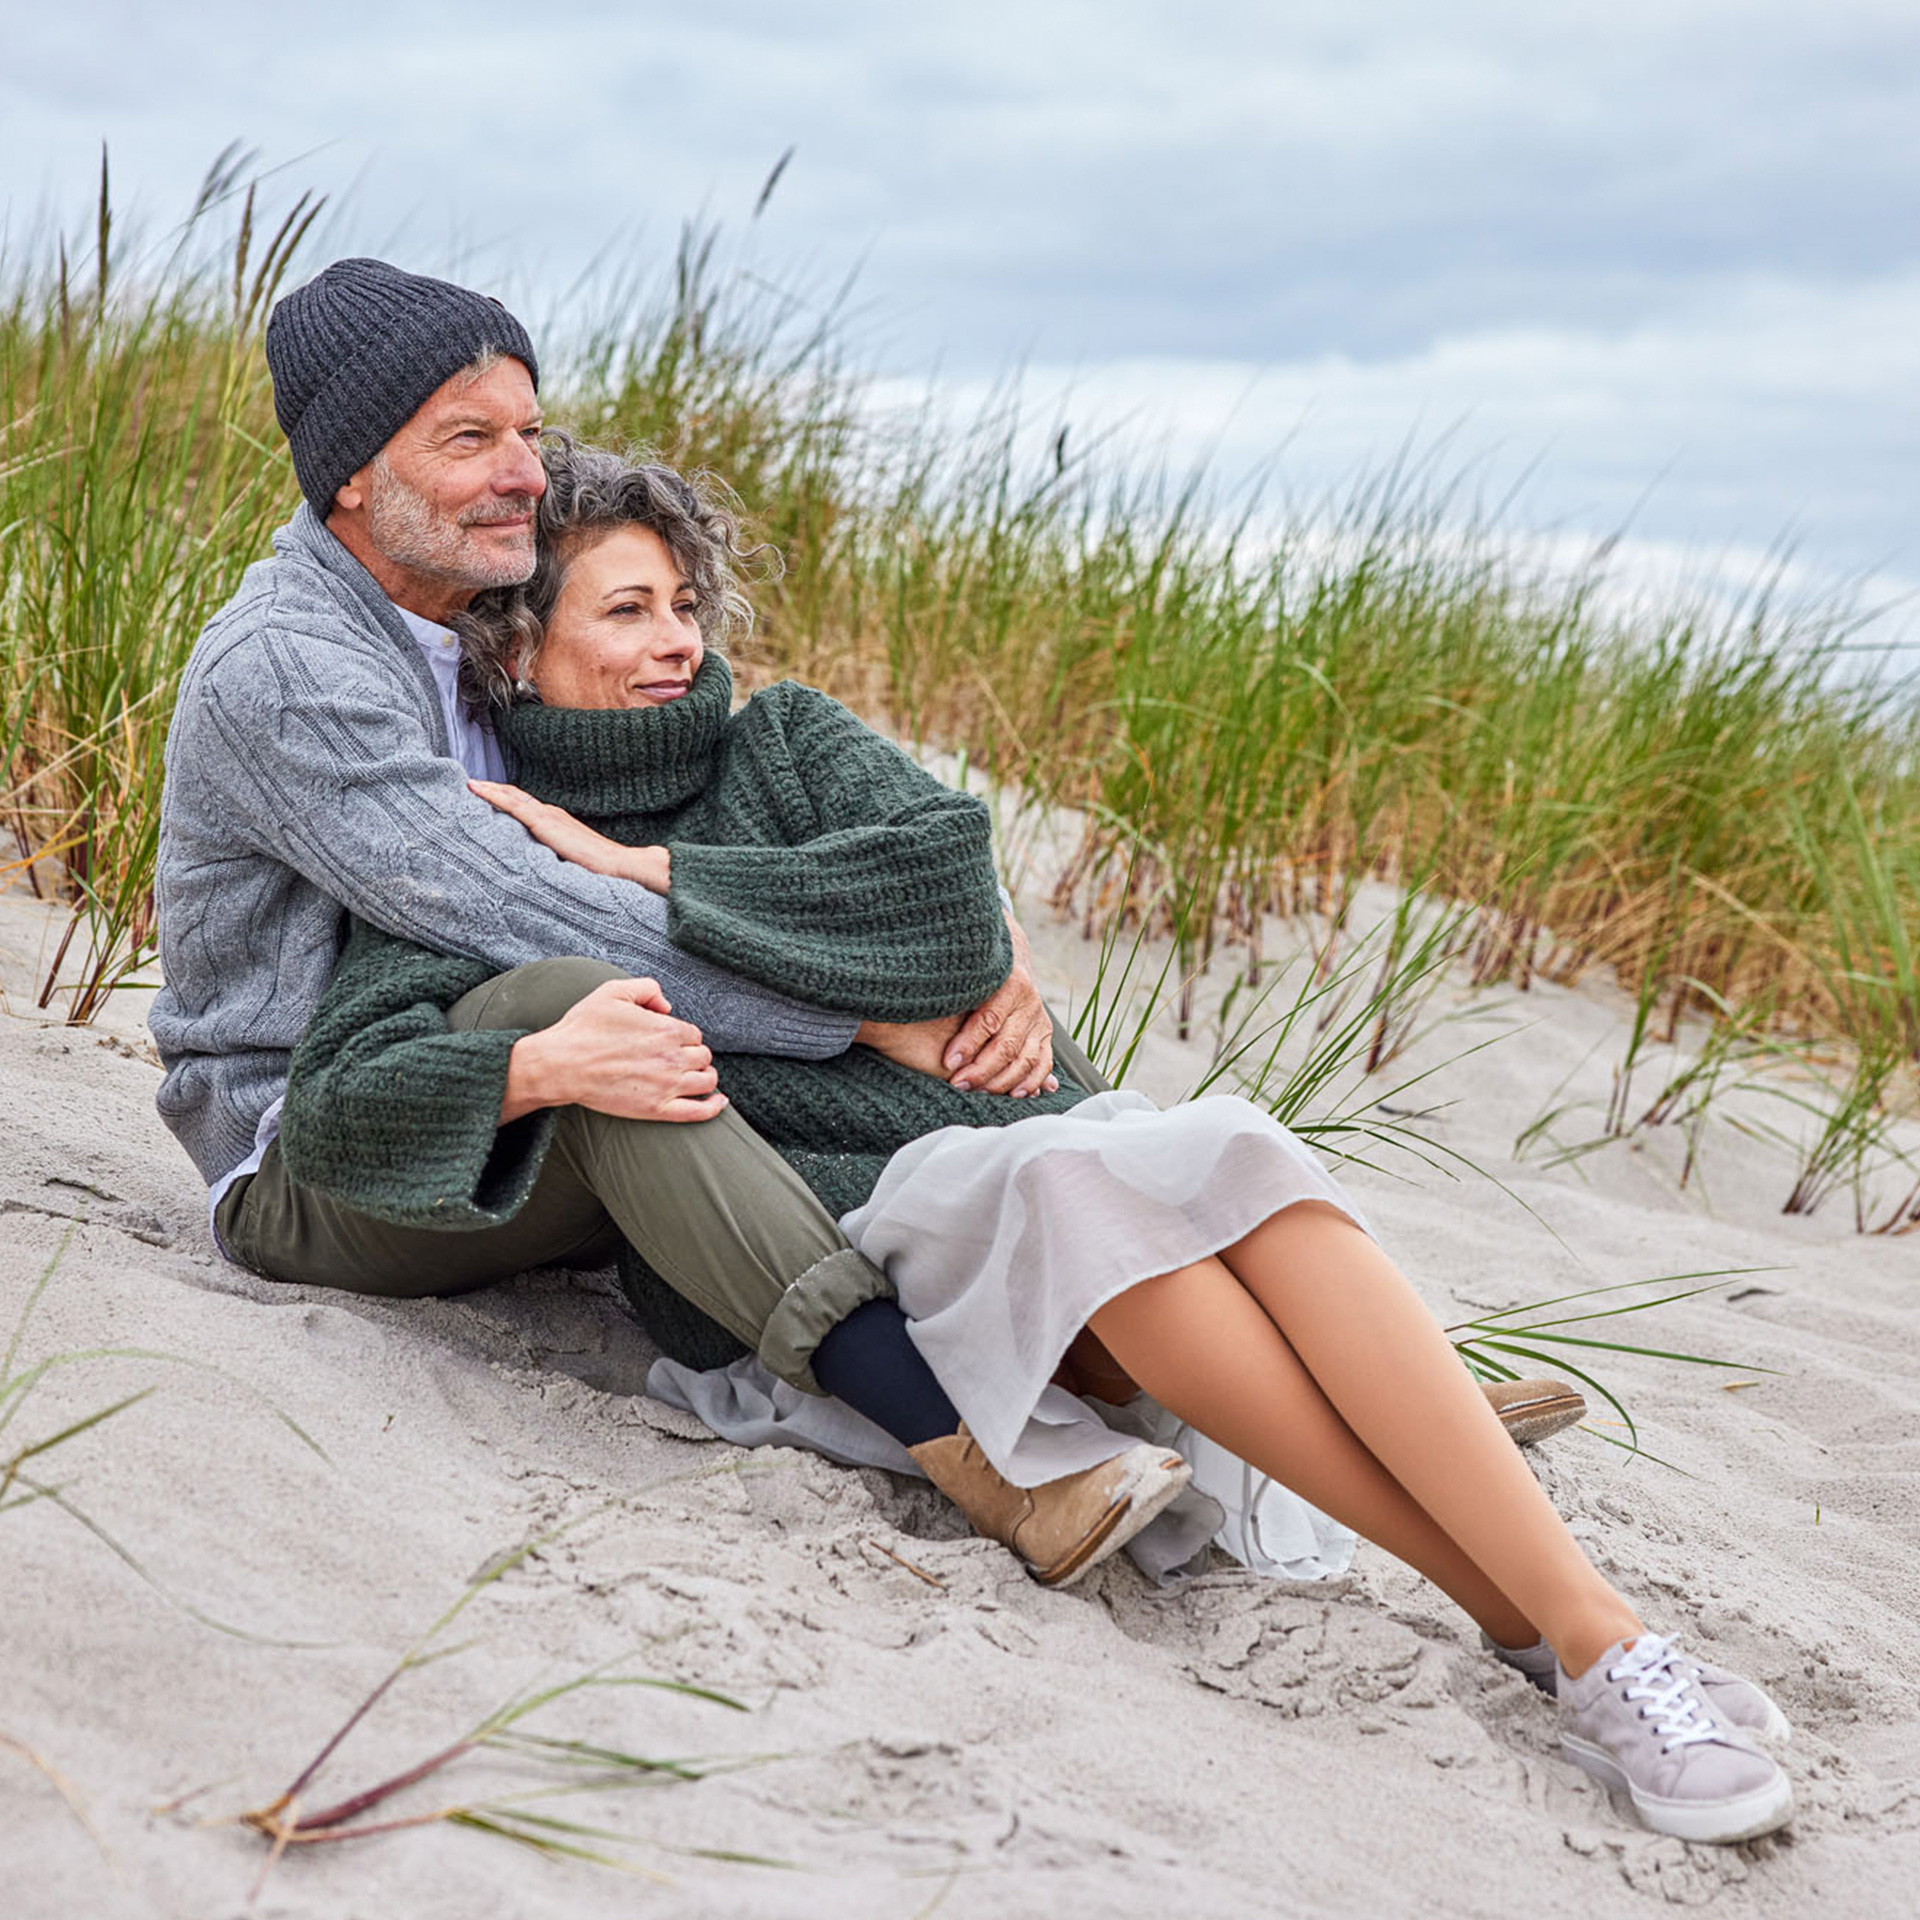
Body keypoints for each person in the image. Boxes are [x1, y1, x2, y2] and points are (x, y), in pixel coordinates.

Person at [277, 438, 1794, 1847]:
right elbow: (348, 1093)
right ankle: (1581, 1637)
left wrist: (647, 872)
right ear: (516, 643)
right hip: (839, 1212)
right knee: (1086, 1186)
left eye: (686, 600)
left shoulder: (783, 742)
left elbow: (949, 897)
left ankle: (1584, 1639)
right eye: (626, 609)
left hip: (1039, 1150)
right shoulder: (481, 832)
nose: (679, 637)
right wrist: (545, 1056)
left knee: (1229, 1154)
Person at [151, 255, 1188, 1584]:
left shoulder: (479, 601)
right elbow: (507, 906)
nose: (522, 470)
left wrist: (988, 950)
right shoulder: (290, 671)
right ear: (354, 472)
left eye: (527, 429)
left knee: (774, 1017)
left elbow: (761, 785)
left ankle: (1246, 1360)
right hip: (336, 1136)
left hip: (520, 1126)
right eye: (470, 437)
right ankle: (976, 1462)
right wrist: (864, 1006)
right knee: (589, 1008)